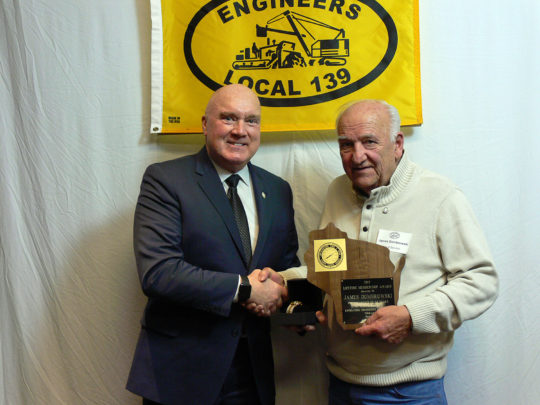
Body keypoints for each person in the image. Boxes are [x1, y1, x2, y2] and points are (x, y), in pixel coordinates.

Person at [277, 99, 499, 404]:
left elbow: (482, 282)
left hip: (409, 393)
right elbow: (327, 266)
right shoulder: (337, 191)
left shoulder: (440, 195)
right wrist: (284, 282)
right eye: (346, 144)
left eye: (369, 141)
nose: (357, 156)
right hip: (341, 384)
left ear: (397, 144)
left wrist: (411, 317)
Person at [126, 84, 300, 405]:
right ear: (205, 124)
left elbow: (287, 268)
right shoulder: (166, 180)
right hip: (182, 373)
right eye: (228, 118)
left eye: (251, 120)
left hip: (252, 374)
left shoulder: (278, 190)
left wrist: (300, 310)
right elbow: (158, 273)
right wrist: (245, 289)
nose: (240, 130)